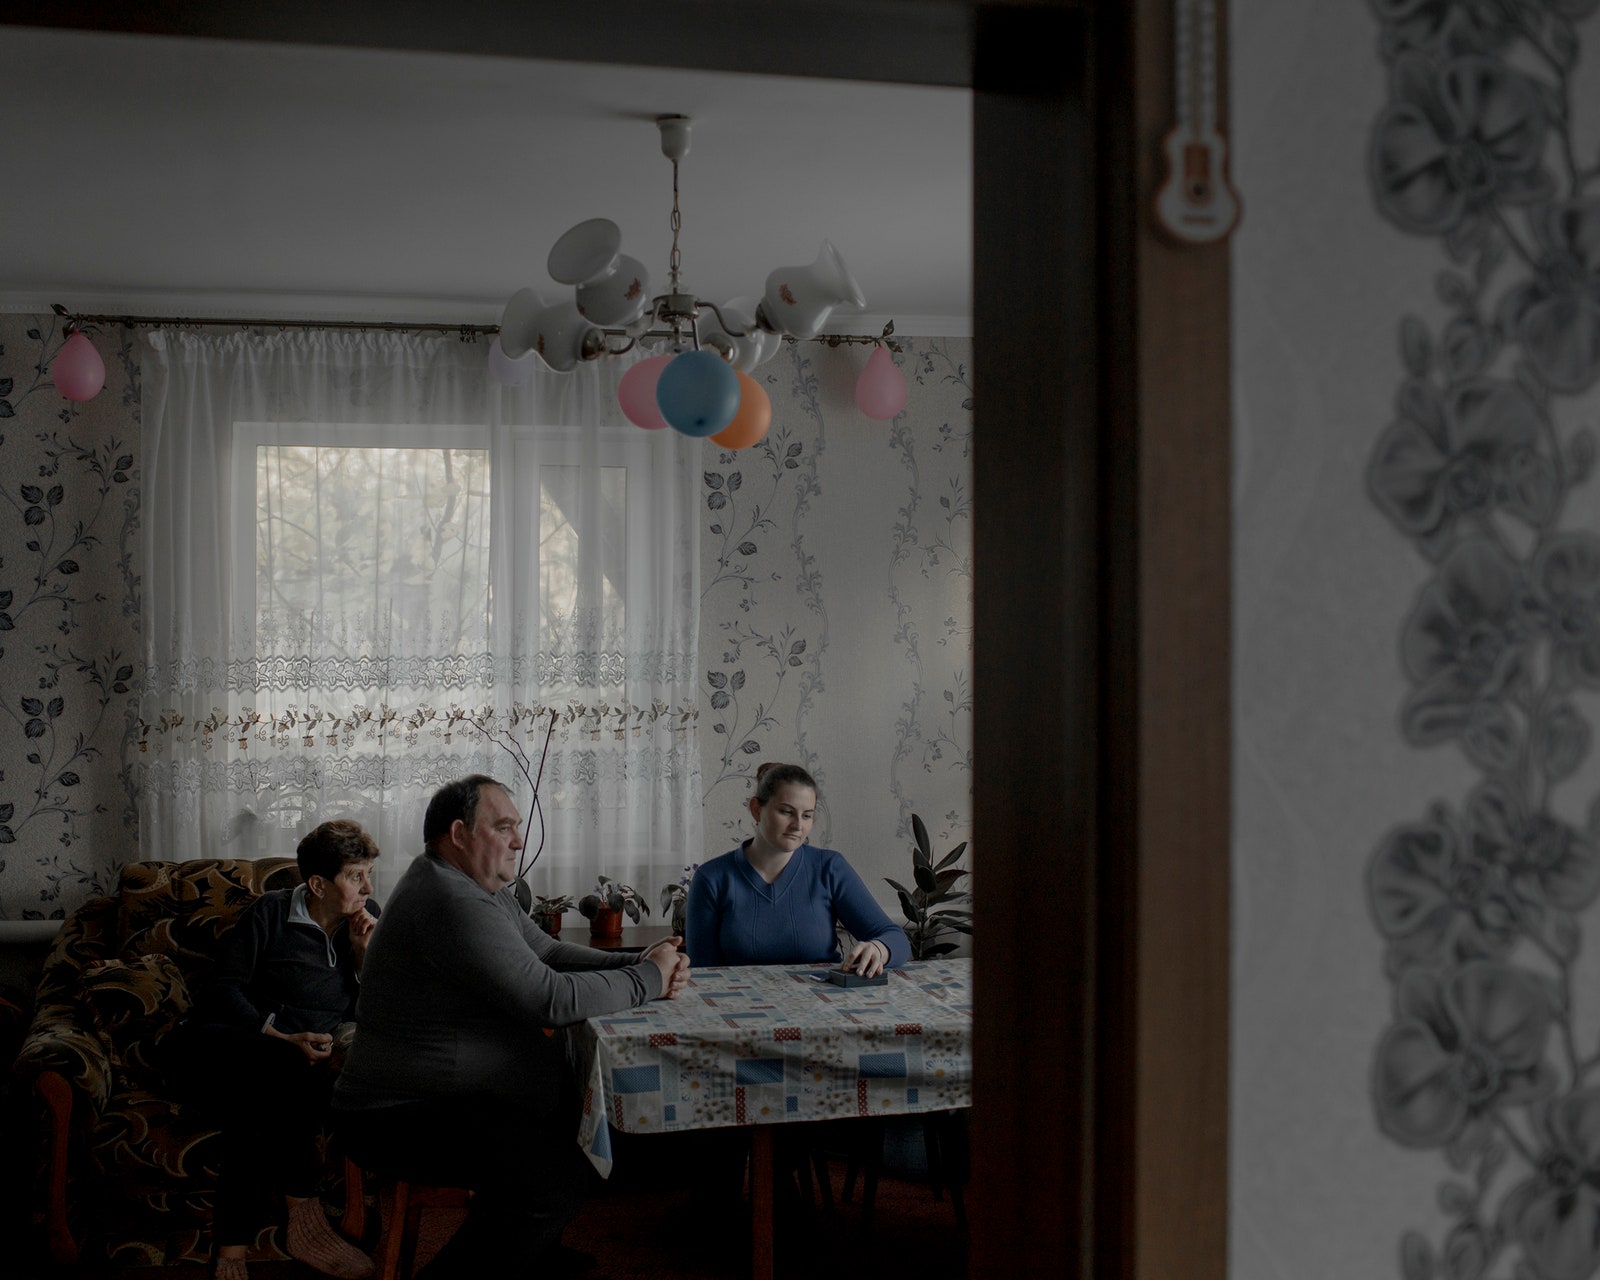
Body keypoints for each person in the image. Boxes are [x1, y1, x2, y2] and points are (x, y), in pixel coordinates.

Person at [331, 774, 691, 1280]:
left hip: (446, 1097)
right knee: (552, 1179)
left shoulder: (473, 884)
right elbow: (549, 998)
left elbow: (545, 953)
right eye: (503, 827)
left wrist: (636, 961)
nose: (519, 840)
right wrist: (648, 977)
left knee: (577, 1121)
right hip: (397, 1112)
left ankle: (532, 1256)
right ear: (458, 834)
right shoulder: (450, 900)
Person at [172, 818, 382, 1280]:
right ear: (317, 884)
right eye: (355, 875)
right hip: (229, 1043)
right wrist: (282, 1036)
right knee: (275, 1067)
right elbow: (223, 992)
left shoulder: (367, 922)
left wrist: (364, 955)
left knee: (263, 1093)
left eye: (369, 873)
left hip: (284, 1069)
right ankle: (303, 1215)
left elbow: (376, 1014)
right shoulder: (269, 913)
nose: (368, 887)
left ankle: (232, 1247)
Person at [686, 761, 910, 972]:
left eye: (807, 816)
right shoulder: (711, 879)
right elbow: (704, 974)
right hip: (736, 1008)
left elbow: (895, 939)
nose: (798, 826)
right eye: (786, 812)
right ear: (756, 809)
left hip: (824, 1005)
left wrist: (879, 949)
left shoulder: (829, 868)